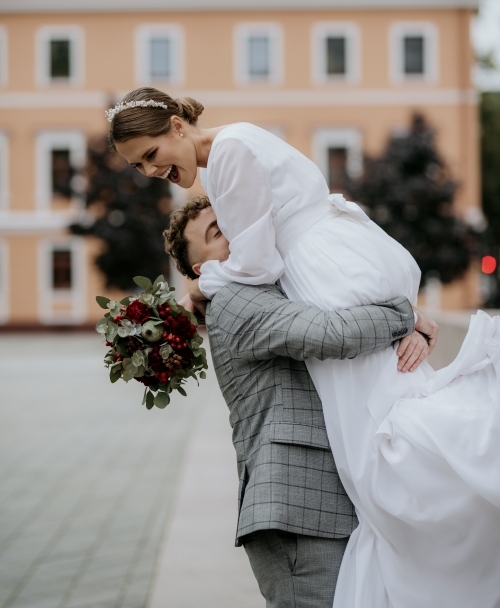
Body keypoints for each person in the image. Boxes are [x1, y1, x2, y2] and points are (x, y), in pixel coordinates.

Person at [109, 88, 500, 608]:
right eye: (139, 166)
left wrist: (199, 287)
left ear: (178, 127)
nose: (150, 171)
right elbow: (279, 284)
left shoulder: (228, 154)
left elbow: (261, 265)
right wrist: (403, 316)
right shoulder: (237, 151)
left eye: (151, 155)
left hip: (324, 270)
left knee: (386, 439)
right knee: (391, 426)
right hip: (332, 274)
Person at [163, 194, 431, 607]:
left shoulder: (271, 285)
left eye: (229, 219)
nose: (232, 229)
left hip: (316, 501)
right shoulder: (235, 300)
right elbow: (332, 333)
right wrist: (406, 317)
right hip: (295, 507)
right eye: (216, 233)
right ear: (203, 269)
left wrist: (412, 333)